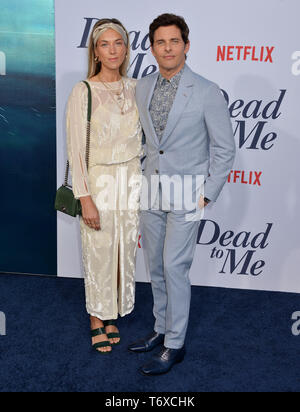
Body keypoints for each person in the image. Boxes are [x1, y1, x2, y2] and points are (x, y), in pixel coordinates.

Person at [128, 14, 236, 374]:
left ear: (186, 46)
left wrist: (206, 195)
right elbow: (147, 143)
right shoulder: (142, 87)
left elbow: (224, 149)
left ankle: (175, 344)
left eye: (174, 41)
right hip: (151, 192)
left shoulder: (206, 91)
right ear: (152, 47)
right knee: (156, 266)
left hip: (188, 196)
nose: (168, 48)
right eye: (160, 42)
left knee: (175, 267)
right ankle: (160, 328)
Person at [66, 19, 143, 354]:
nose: (112, 51)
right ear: (95, 52)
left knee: (123, 250)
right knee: (98, 251)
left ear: (126, 49)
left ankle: (112, 311)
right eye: (105, 45)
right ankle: (97, 318)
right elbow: (74, 148)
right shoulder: (83, 90)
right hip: (99, 181)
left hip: (131, 179)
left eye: (119, 44)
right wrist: (85, 198)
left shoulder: (136, 86)